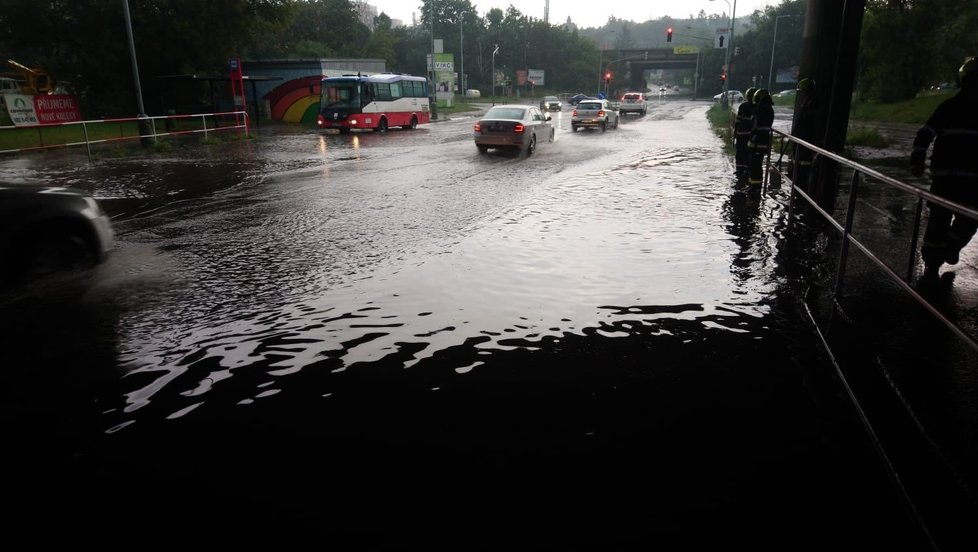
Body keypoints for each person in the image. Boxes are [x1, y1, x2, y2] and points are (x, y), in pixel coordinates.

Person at [911, 56, 978, 280]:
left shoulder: (949, 107)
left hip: (963, 182)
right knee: (941, 221)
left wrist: (918, 158)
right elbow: (926, 133)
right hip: (950, 180)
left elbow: (925, 134)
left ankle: (947, 250)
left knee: (965, 222)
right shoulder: (948, 108)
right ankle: (932, 264)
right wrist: (918, 156)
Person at [791, 78, 816, 190]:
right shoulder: (806, 102)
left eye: (803, 92)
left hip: (807, 138)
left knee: (804, 162)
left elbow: (810, 122)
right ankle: (798, 181)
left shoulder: (814, 103)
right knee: (798, 160)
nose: (802, 95)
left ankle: (802, 184)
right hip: (801, 137)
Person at [748, 88, 774, 186]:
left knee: (755, 166)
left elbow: (754, 126)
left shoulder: (760, 110)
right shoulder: (767, 109)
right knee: (755, 165)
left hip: (758, 142)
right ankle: (753, 186)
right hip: (762, 141)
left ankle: (755, 188)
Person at [734, 87, 757, 178]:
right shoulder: (757, 107)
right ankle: (746, 171)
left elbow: (738, 121)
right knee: (747, 153)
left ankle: (740, 171)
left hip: (742, 134)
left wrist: (735, 133)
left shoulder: (743, 106)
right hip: (751, 135)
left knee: (740, 153)